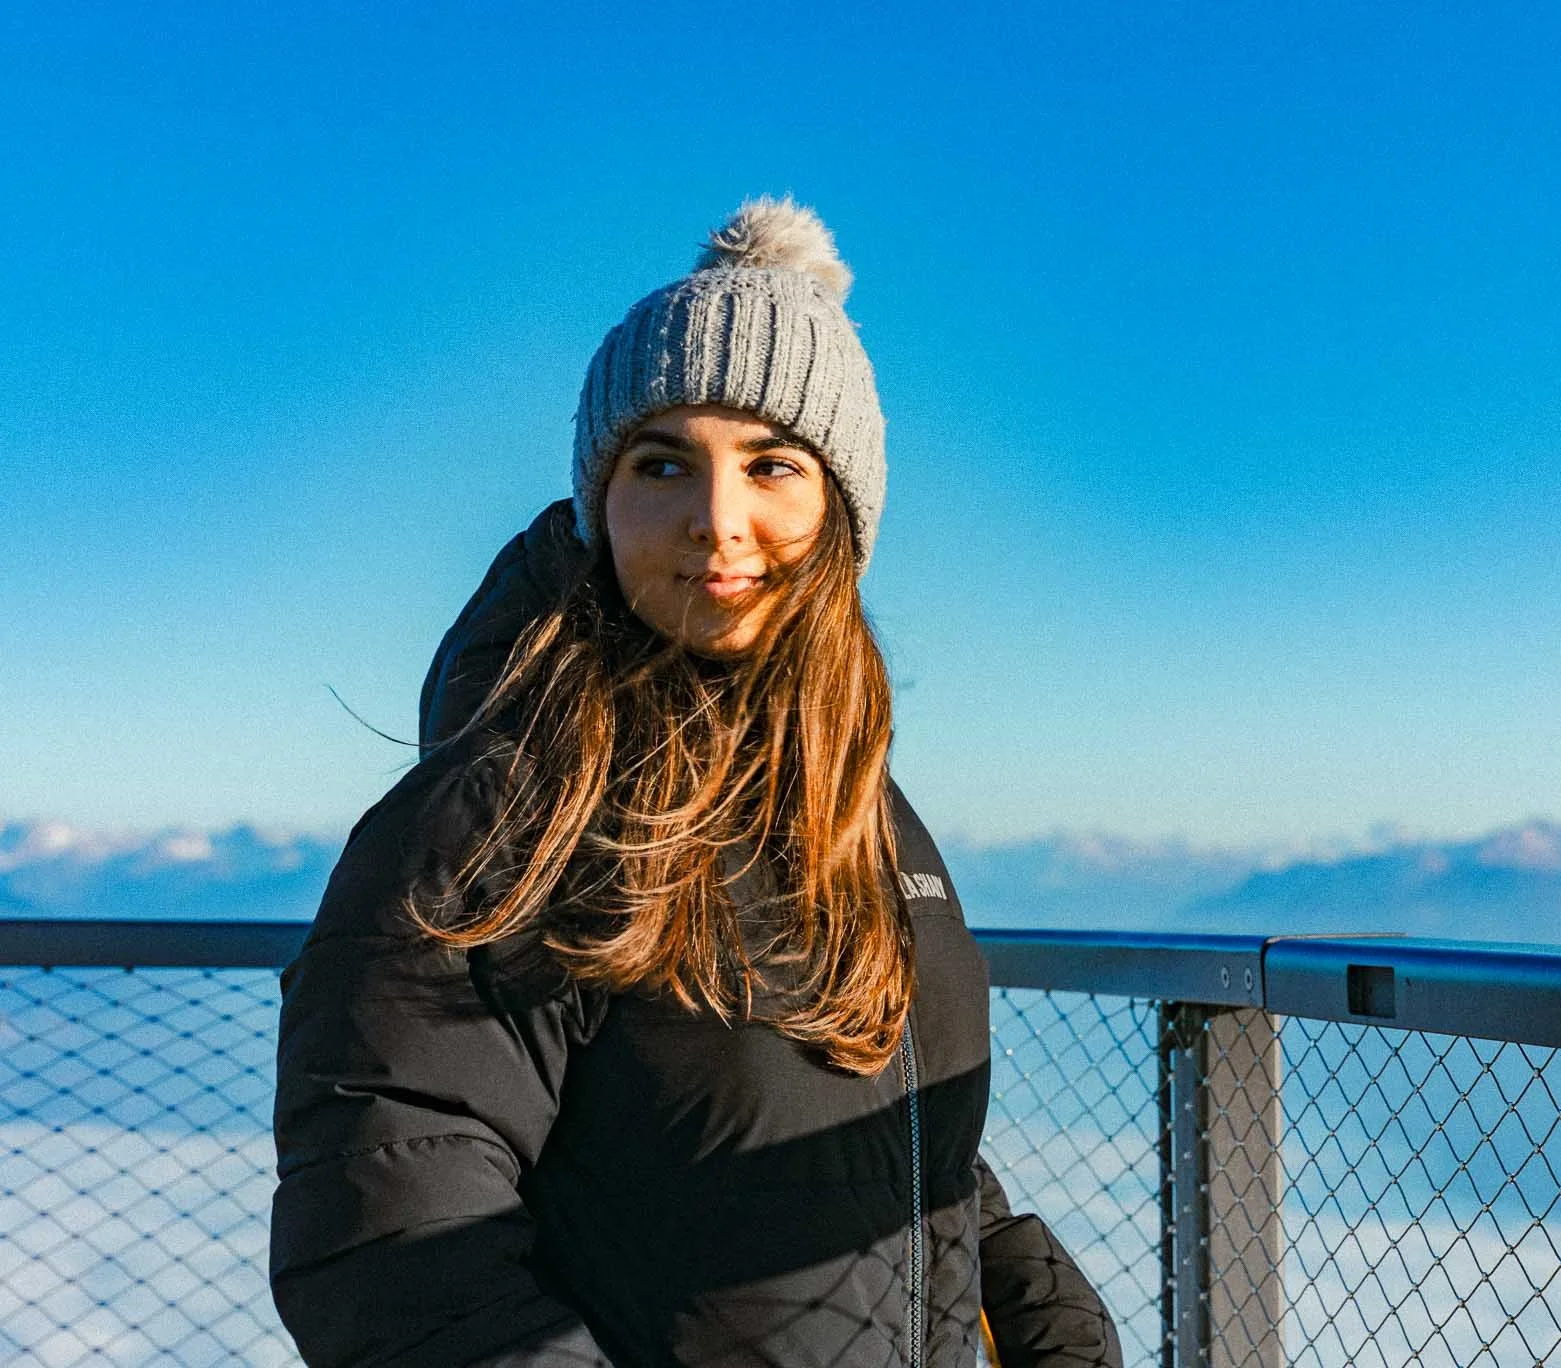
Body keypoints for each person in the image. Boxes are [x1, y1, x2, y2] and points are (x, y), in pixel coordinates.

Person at [270, 198, 1123, 1368]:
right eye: (662, 463)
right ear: (600, 503)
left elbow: (895, 1129)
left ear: (838, 508)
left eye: (770, 465)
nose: (717, 523)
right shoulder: (516, 805)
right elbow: (392, 1217)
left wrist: (1042, 1312)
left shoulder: (848, 793)